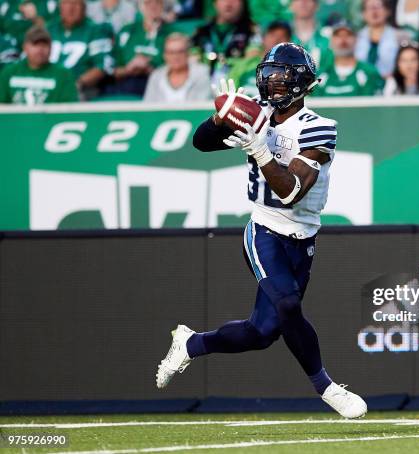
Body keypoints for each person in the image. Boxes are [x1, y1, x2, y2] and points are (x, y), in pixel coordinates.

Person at [156, 43, 368, 420]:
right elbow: (201, 143)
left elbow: (290, 192)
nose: (272, 84)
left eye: (281, 76)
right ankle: (327, 388)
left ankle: (191, 343)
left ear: (302, 82)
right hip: (265, 228)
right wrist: (220, 118)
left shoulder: (318, 129)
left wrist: (259, 149)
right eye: (268, 75)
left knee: (262, 333)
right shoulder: (257, 112)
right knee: (288, 305)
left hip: (302, 235)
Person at [47, 0, 114, 98]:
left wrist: (77, 83)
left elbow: (102, 66)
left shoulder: (95, 30)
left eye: (75, 4)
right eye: (66, 3)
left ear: (84, 7)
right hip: (47, 83)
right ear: (60, 7)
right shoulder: (49, 29)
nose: (71, 9)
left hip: (81, 89)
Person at [111, 0, 175, 97]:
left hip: (160, 86)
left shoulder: (172, 34)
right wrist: (129, 68)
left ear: (163, 6)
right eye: (148, 2)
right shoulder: (127, 31)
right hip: (126, 83)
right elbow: (112, 71)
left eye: (157, 2)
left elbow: (178, 70)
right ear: (141, 7)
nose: (153, 6)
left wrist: (150, 69)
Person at [0, 26, 78, 104]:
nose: (40, 49)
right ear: (25, 47)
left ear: (51, 48)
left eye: (44, 45)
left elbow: (68, 109)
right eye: (35, 44)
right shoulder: (9, 72)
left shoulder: (63, 75)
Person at [191, 0, 257, 84]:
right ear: (215, 3)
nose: (229, 3)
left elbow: (252, 61)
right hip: (203, 88)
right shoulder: (201, 32)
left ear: (243, 3)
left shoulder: (252, 31)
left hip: (237, 88)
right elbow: (191, 63)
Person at [227, 20, 292, 97]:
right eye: (272, 35)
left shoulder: (292, 68)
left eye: (282, 37)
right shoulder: (246, 64)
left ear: (289, 42)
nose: (276, 40)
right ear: (263, 38)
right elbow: (229, 90)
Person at [318, 22, 385, 95]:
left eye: (348, 35)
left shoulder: (370, 73)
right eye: (338, 36)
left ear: (356, 39)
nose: (343, 40)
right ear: (331, 41)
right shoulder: (320, 75)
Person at [143, 33, 212, 102]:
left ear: (188, 53)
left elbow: (202, 105)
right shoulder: (156, 76)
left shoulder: (201, 73)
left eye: (180, 52)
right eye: (171, 52)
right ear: (164, 55)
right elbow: (147, 106)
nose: (175, 57)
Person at [290, 0, 334, 68]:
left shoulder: (329, 36)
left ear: (317, 6)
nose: (303, 2)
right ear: (291, 5)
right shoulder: (280, 37)